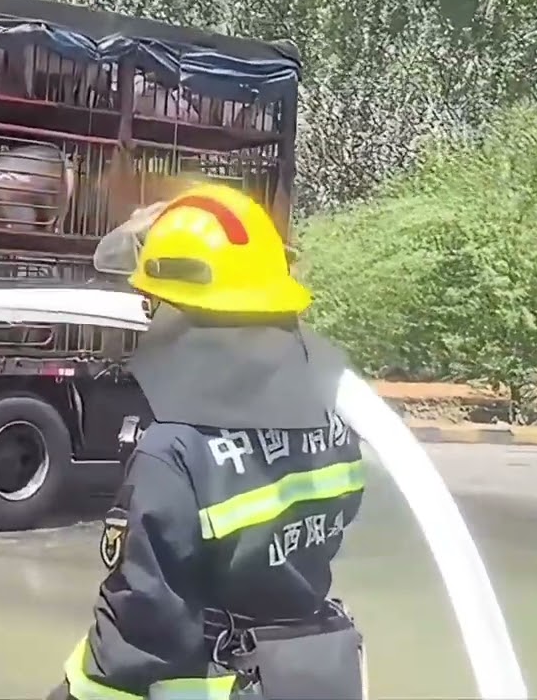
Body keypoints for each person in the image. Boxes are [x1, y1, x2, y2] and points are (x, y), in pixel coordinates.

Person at [55, 183, 368, 700]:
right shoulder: (332, 417)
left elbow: (143, 625)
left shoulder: (173, 449)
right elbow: (335, 518)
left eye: (153, 303)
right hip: (313, 675)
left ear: (182, 315)